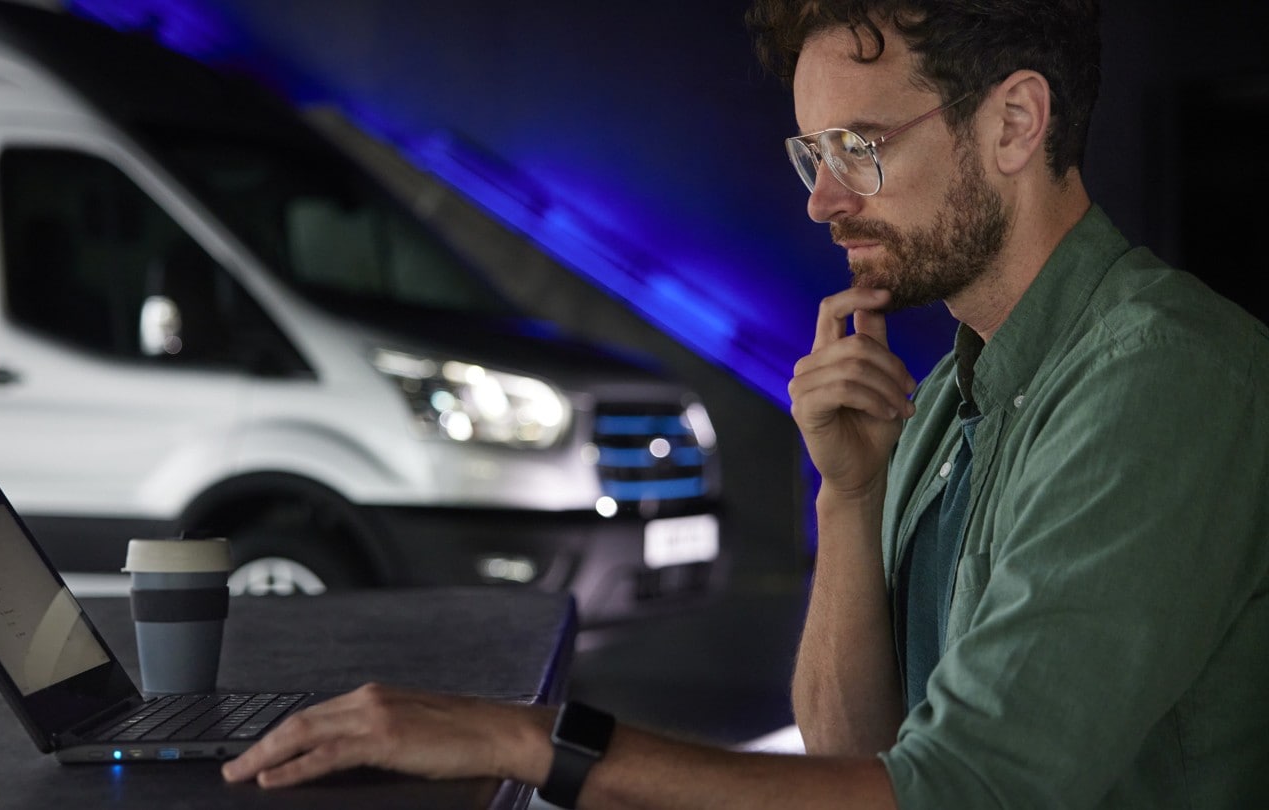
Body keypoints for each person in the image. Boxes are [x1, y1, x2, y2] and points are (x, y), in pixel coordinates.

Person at [221, 1, 1269, 806]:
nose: (822, 200)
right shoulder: (952, 392)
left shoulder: (1166, 378)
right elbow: (855, 758)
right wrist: (849, 498)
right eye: (813, 155)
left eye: (859, 147)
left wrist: (536, 742)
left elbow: (964, 791)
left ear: (1015, 122)